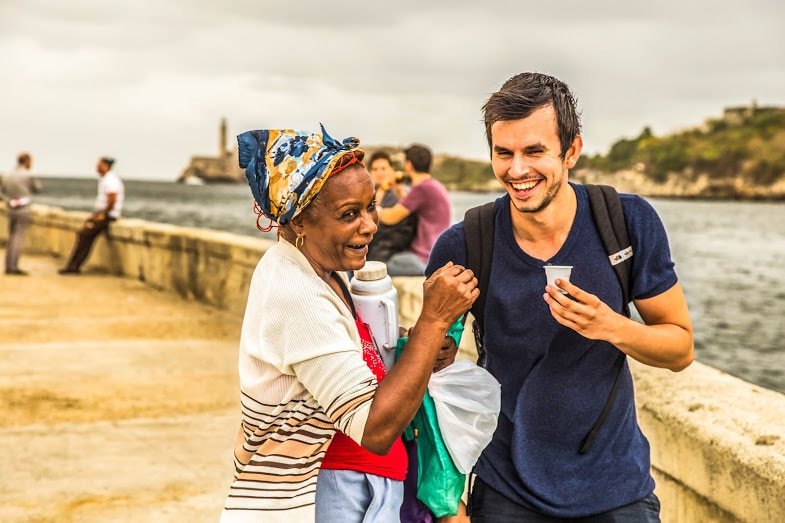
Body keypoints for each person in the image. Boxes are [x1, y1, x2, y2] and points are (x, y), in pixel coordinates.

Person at [426, 72, 694, 522]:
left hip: (617, 489)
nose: (516, 170)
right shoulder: (465, 244)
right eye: (503, 152)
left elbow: (680, 348)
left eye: (534, 151)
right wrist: (447, 500)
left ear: (571, 151)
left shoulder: (627, 223)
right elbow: (434, 378)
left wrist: (610, 326)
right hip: (505, 491)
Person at [220, 125, 478, 523]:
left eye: (370, 207)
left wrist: (418, 345)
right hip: (336, 496)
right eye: (349, 215)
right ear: (300, 221)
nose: (370, 225)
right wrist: (433, 321)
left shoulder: (321, 271)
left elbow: (354, 355)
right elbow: (373, 429)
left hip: (365, 485)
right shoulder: (297, 293)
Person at [377, 144, 452, 276]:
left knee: (374, 266)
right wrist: (399, 191)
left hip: (423, 258)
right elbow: (410, 203)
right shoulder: (433, 185)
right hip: (435, 254)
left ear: (408, 165)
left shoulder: (422, 189)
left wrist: (379, 196)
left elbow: (390, 217)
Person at [59, 157, 124, 274]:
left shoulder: (111, 180)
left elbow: (112, 200)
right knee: (83, 236)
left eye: (98, 165)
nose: (96, 168)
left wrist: (101, 215)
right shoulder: (106, 179)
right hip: (103, 215)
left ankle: (73, 267)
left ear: (105, 165)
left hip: (106, 216)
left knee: (84, 235)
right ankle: (73, 266)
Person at [366, 150, 418, 263]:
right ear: (369, 172)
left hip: (393, 249)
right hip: (371, 247)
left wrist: (396, 188)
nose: (380, 173)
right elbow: (369, 215)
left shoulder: (403, 191)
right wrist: (382, 190)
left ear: (392, 170)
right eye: (375, 169)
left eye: (384, 168)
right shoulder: (366, 194)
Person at [1, 152, 42, 275]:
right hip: (23, 208)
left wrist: (10, 200)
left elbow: (1, 192)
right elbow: (37, 189)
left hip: (10, 208)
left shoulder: (7, 175)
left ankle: (8, 265)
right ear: (27, 161)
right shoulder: (28, 175)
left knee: (11, 236)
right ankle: (13, 267)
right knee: (18, 238)